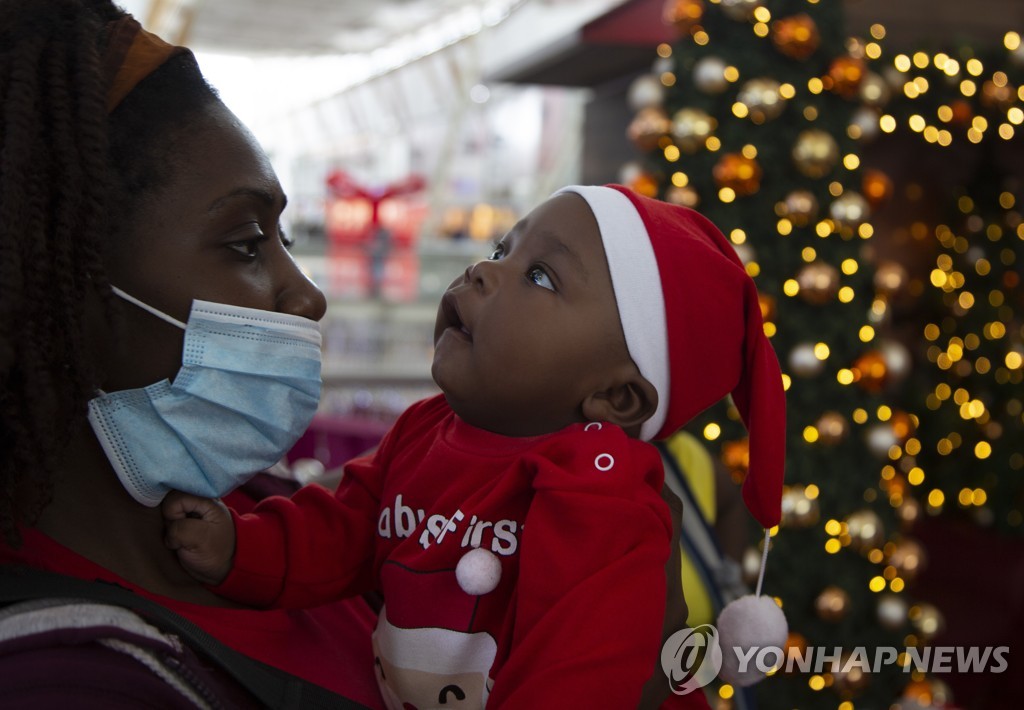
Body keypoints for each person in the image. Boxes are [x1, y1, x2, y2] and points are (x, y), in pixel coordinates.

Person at [163, 185, 788, 708]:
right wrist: (243, 549)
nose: (484, 271)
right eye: (501, 251)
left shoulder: (601, 501)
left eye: (541, 276)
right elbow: (346, 531)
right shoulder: (427, 429)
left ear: (616, 400)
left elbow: (578, 679)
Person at [0, 1, 382, 705]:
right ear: (57, 282)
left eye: (283, 241)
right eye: (244, 244)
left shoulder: (256, 515)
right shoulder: (59, 680)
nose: (306, 298)